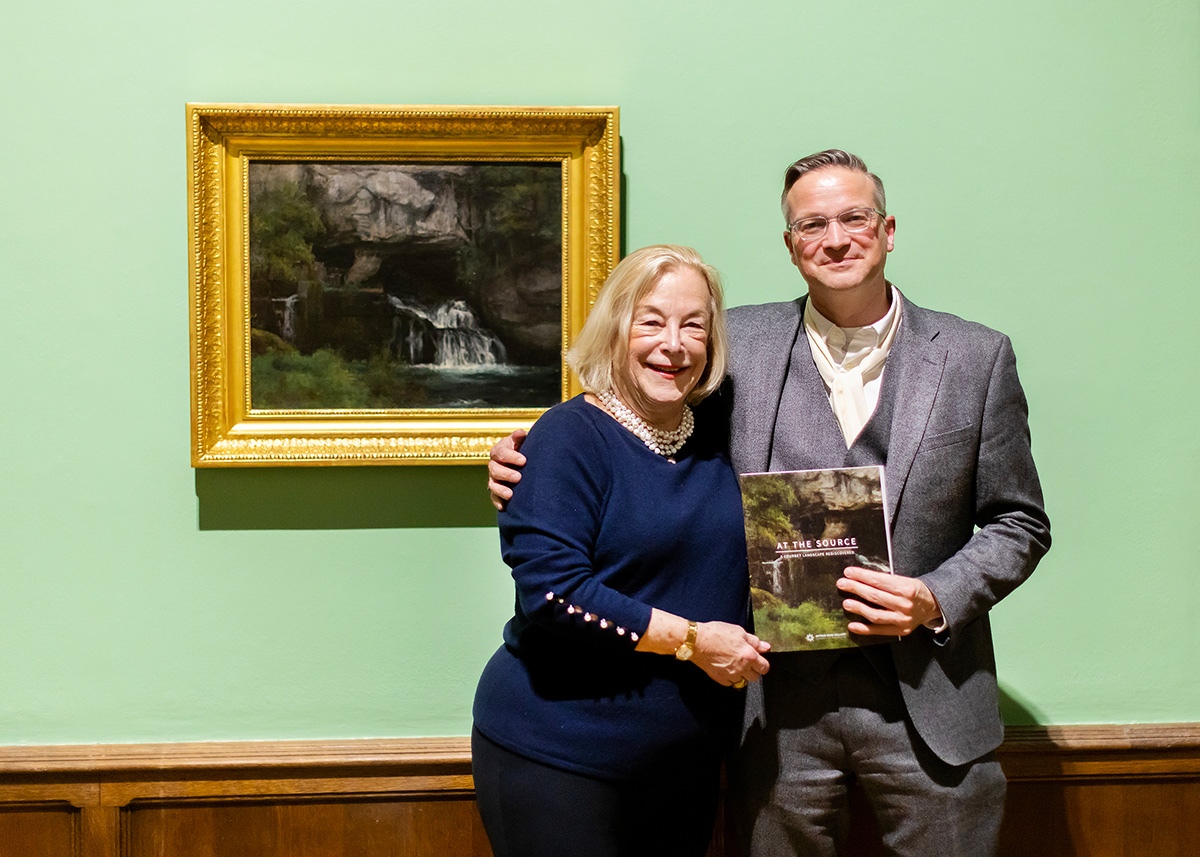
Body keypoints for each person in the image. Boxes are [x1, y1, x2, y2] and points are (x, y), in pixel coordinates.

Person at [488, 151, 1051, 857]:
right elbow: (635, 426)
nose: (836, 238)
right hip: (772, 710)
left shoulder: (976, 356)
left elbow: (1019, 521)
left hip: (929, 704)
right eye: (812, 224)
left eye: (855, 218)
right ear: (791, 245)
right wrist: (525, 456)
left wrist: (933, 598)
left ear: (888, 229)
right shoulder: (736, 346)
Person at [472, 244, 772, 857]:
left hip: (685, 762)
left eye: (695, 325)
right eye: (652, 320)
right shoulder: (566, 438)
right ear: (616, 328)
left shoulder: (715, 435)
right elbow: (554, 595)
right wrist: (693, 640)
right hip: (561, 754)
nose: (674, 343)